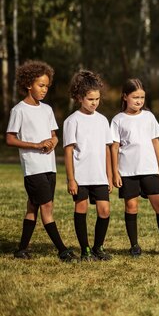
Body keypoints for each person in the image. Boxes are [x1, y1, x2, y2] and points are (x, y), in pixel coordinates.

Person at [6, 60, 77, 262]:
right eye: (41, 85)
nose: (45, 90)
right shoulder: (18, 110)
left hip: (50, 167)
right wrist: (36, 145)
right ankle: (62, 250)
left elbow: (54, 135)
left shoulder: (46, 109)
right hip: (33, 167)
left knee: (33, 206)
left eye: (47, 86)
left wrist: (53, 141)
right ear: (29, 84)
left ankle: (21, 250)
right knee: (47, 207)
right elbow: (10, 139)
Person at [110, 78, 159, 259]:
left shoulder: (149, 117)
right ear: (125, 97)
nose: (139, 101)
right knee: (131, 206)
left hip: (149, 169)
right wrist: (115, 172)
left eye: (142, 97)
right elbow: (113, 147)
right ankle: (134, 246)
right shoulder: (118, 120)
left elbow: (155, 142)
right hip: (128, 171)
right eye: (135, 97)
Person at [63, 70, 114, 261]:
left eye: (97, 99)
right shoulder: (72, 121)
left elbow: (107, 149)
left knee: (105, 210)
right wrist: (71, 179)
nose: (94, 103)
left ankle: (97, 248)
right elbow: (68, 152)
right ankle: (84, 250)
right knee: (81, 209)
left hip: (99, 176)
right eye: (90, 99)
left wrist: (109, 176)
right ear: (79, 98)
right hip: (80, 177)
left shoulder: (102, 120)